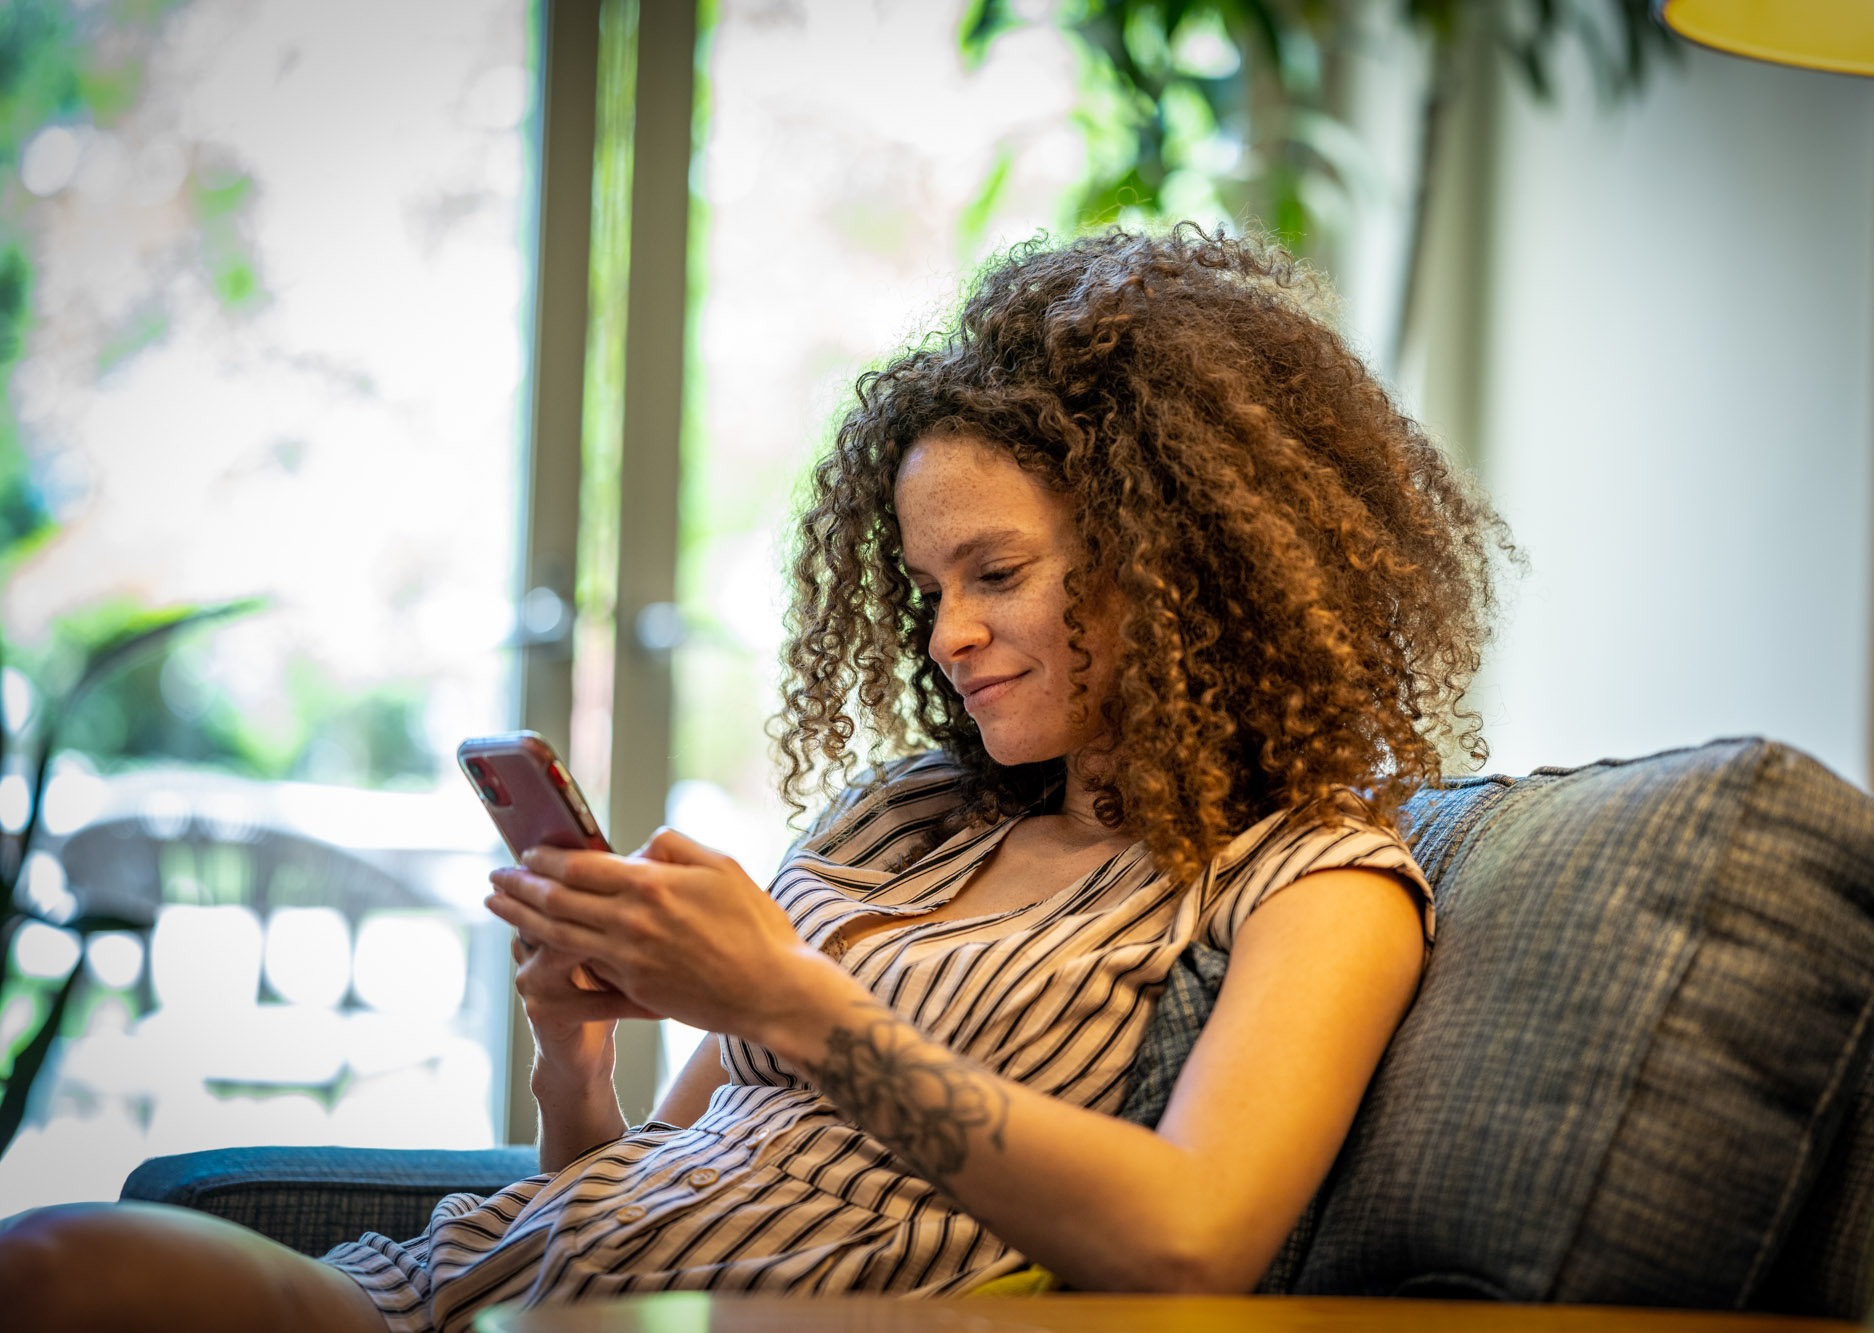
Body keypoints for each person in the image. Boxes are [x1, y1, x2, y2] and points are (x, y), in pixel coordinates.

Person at [0, 225, 1506, 1331]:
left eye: (997, 572)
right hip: (492, 1282)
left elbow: (1191, 1240)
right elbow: (652, 1173)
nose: (952, 633)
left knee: (58, 1275)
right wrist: (573, 1064)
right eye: (926, 583)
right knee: (55, 1263)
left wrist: (790, 995)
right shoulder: (902, 820)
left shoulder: (1317, 880)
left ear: (1177, 568)